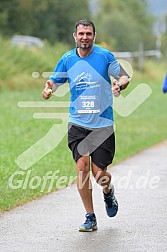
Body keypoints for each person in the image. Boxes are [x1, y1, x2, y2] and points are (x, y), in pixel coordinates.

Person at [42, 19, 130, 232]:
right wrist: (48, 88)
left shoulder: (104, 56)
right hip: (78, 122)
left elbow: (124, 76)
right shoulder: (67, 59)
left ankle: (108, 193)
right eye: (81, 33)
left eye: (88, 33)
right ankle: (90, 216)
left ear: (94, 35)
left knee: (99, 174)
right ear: (75, 36)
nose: (84, 37)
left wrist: (120, 84)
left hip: (102, 124)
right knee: (81, 168)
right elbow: (54, 80)